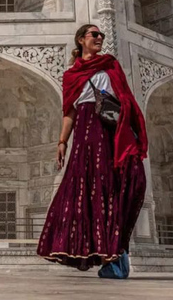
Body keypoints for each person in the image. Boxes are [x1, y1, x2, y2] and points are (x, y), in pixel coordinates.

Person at [37, 25, 148, 279]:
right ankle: (112, 257)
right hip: (86, 133)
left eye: (101, 36)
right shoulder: (71, 75)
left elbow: (125, 98)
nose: (99, 39)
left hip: (112, 130)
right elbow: (70, 112)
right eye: (94, 35)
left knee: (127, 182)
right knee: (91, 189)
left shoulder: (110, 65)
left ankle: (117, 249)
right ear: (81, 40)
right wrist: (62, 142)